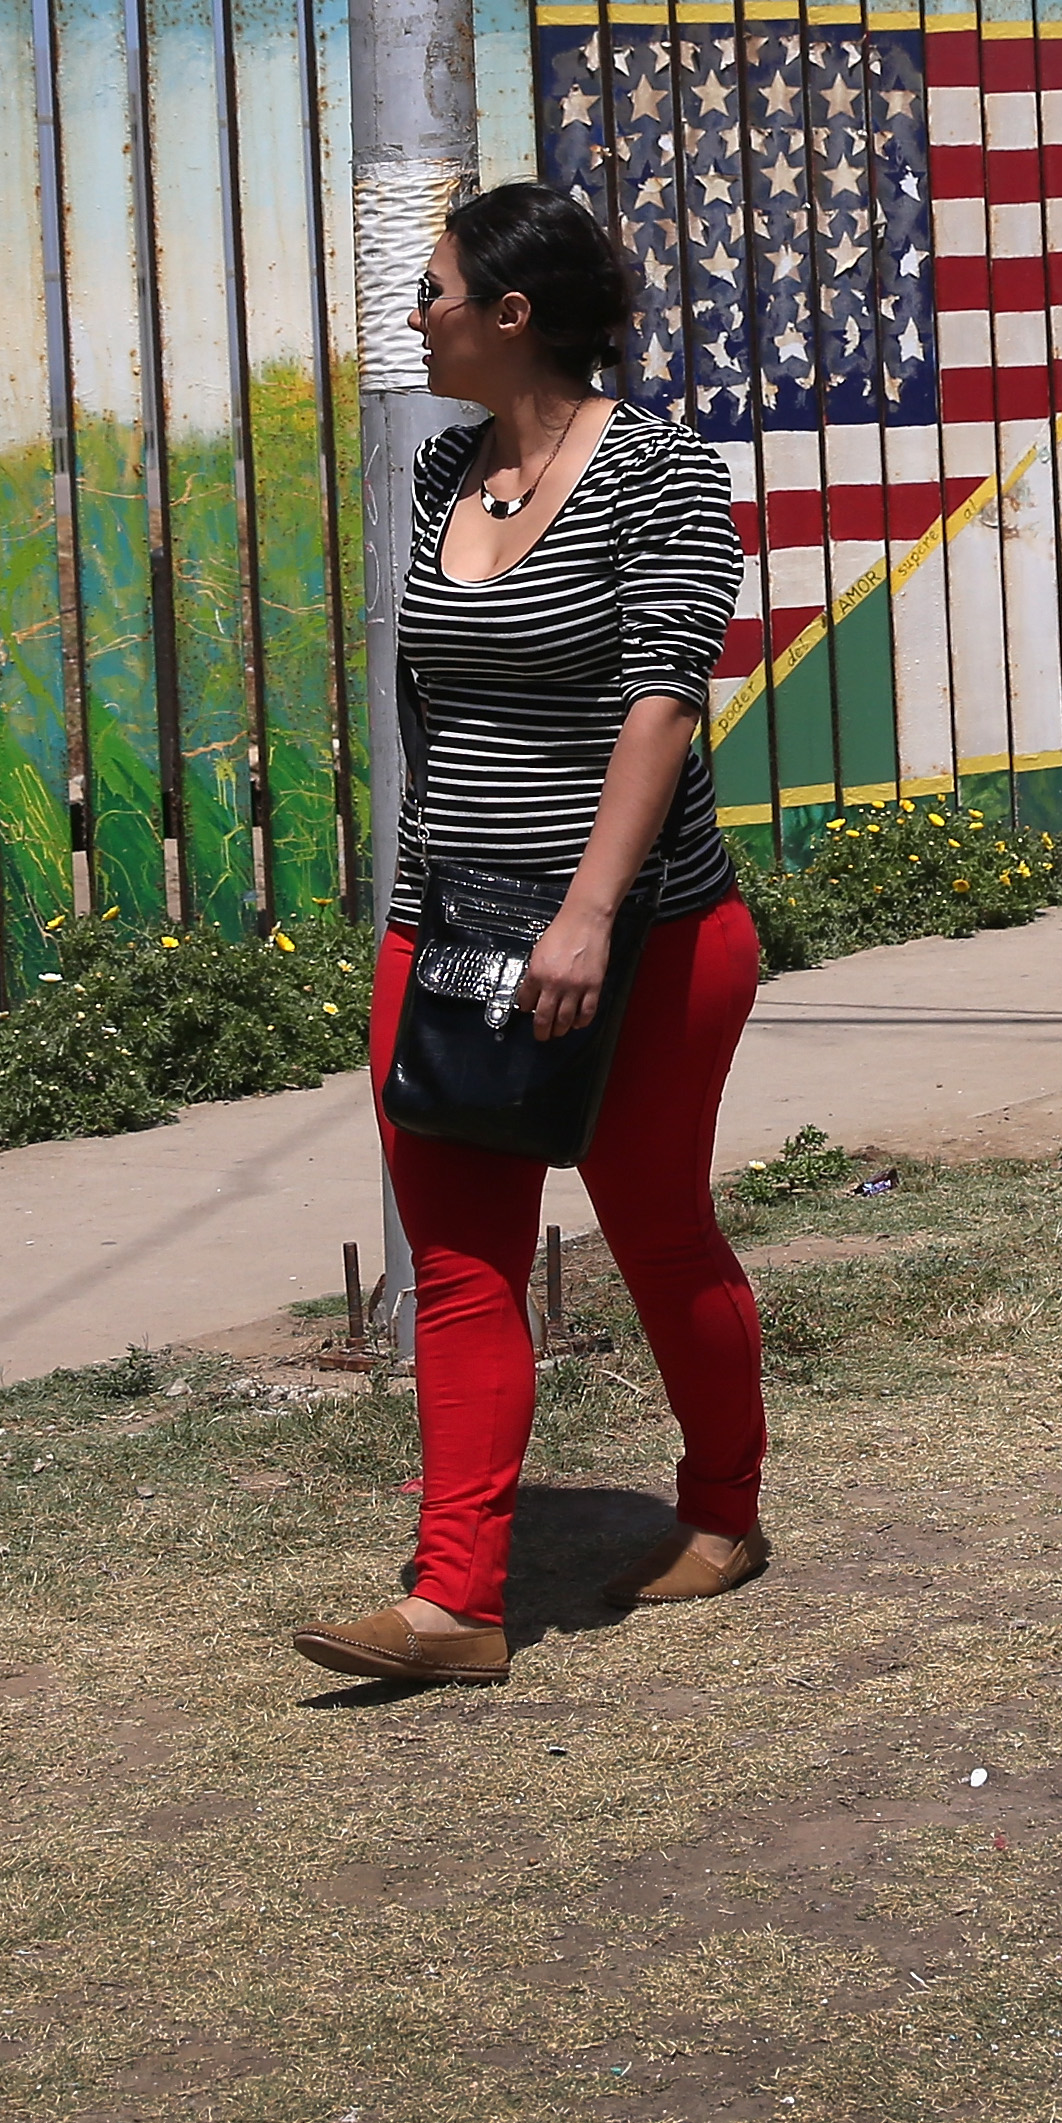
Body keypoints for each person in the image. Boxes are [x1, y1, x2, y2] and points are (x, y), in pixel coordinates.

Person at [297, 183, 775, 1690]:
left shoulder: (658, 473)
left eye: (431, 291)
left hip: (638, 939)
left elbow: (661, 698)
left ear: (511, 316)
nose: (412, 316)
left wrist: (583, 913)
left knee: (654, 1231)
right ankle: (455, 1603)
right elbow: (432, 710)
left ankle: (722, 1508)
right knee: (456, 1259)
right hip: (447, 931)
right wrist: (428, 901)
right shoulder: (444, 467)